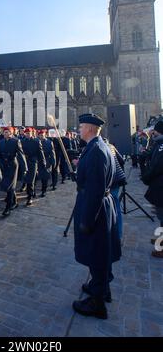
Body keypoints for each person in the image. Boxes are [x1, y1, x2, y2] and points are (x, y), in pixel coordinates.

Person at [72, 113, 121, 320]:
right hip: (100, 204)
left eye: (81, 127)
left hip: (96, 208)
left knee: (97, 252)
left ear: (90, 128)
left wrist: (86, 219)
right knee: (100, 251)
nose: (79, 130)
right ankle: (99, 288)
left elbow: (95, 189)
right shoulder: (98, 146)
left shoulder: (96, 151)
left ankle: (97, 303)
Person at [142, 120, 163, 258]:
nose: (152, 132)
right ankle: (160, 239)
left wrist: (146, 177)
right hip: (159, 185)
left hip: (161, 185)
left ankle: (160, 248)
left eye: (154, 131)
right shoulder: (159, 144)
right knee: (160, 216)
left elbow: (157, 165)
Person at [0, 126, 27, 216]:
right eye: (4, 132)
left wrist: (25, 168)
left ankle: (8, 207)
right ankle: (14, 202)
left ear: (11, 133)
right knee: (8, 186)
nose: (5, 134)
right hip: (4, 165)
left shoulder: (15, 141)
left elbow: (21, 154)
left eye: (7, 132)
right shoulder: (1, 141)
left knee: (10, 186)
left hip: (12, 165)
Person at [20, 128, 46, 205]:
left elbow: (40, 152)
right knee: (27, 179)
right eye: (26, 133)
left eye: (29, 133)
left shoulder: (36, 141)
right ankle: (31, 192)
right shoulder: (22, 141)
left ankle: (29, 197)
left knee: (31, 180)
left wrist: (43, 161)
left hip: (33, 162)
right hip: (25, 162)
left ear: (32, 133)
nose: (28, 134)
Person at [37, 129, 56, 197]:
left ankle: (44, 191)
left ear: (45, 135)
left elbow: (52, 153)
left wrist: (53, 162)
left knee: (45, 177)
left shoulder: (49, 142)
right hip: (39, 161)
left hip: (47, 161)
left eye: (42, 135)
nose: (41, 136)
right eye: (40, 135)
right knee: (39, 177)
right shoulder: (37, 141)